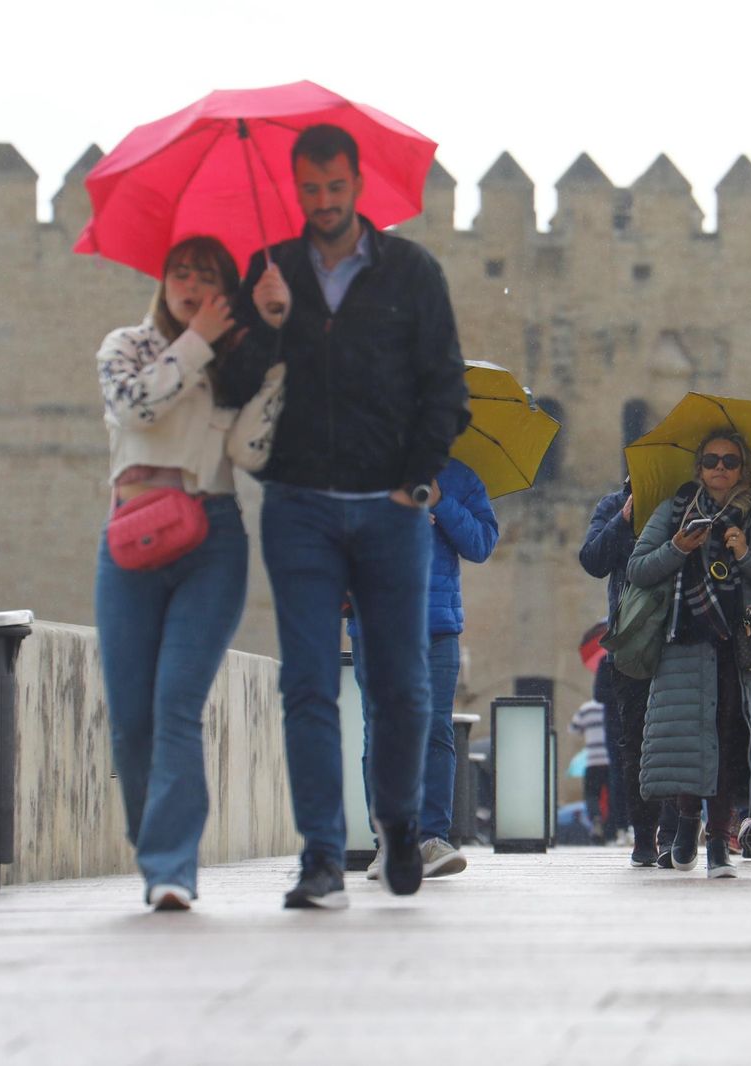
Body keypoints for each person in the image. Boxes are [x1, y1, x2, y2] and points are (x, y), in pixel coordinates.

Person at [220, 124, 470, 908]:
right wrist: (262, 322)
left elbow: (446, 390)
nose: (324, 203)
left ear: (356, 184)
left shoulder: (411, 274)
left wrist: (414, 481)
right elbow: (230, 391)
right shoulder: (274, 273)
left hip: (390, 512)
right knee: (307, 684)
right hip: (299, 509)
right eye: (311, 190)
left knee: (400, 686)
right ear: (297, 189)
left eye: (335, 188)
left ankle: (398, 825)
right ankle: (322, 857)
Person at [94, 235, 284, 911]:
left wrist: (273, 355)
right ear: (163, 282)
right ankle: (156, 842)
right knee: (129, 719)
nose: (192, 281)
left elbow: (250, 453)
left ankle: (171, 867)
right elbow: (136, 407)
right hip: (131, 541)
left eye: (207, 274)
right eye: (181, 271)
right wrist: (196, 340)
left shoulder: (236, 362)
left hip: (211, 539)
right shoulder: (126, 344)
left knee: (176, 704)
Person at [627, 430, 751, 878]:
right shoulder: (676, 508)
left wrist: (746, 552)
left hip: (739, 649)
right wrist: (678, 547)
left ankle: (719, 840)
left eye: (730, 461)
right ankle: (687, 824)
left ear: (743, 468)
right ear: (699, 467)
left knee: (728, 740)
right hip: (684, 642)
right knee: (689, 737)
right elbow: (638, 568)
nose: (720, 469)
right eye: (711, 461)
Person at [351, 456, 498, 880]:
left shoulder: (459, 477)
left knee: (435, 729)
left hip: (436, 626)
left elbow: (482, 544)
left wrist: (440, 502)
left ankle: (432, 839)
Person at [580, 475, 677, 867]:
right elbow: (592, 560)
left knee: (675, 736)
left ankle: (673, 831)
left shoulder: (684, 503)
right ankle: (643, 836)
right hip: (632, 637)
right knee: (635, 738)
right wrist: (623, 518)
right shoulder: (613, 505)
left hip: (678, 635)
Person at [569, 698, 612, 844]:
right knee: (613, 795)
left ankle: (596, 818)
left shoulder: (586, 709)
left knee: (591, 794)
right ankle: (612, 829)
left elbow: (573, 729)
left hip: (593, 759)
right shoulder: (610, 705)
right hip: (611, 760)